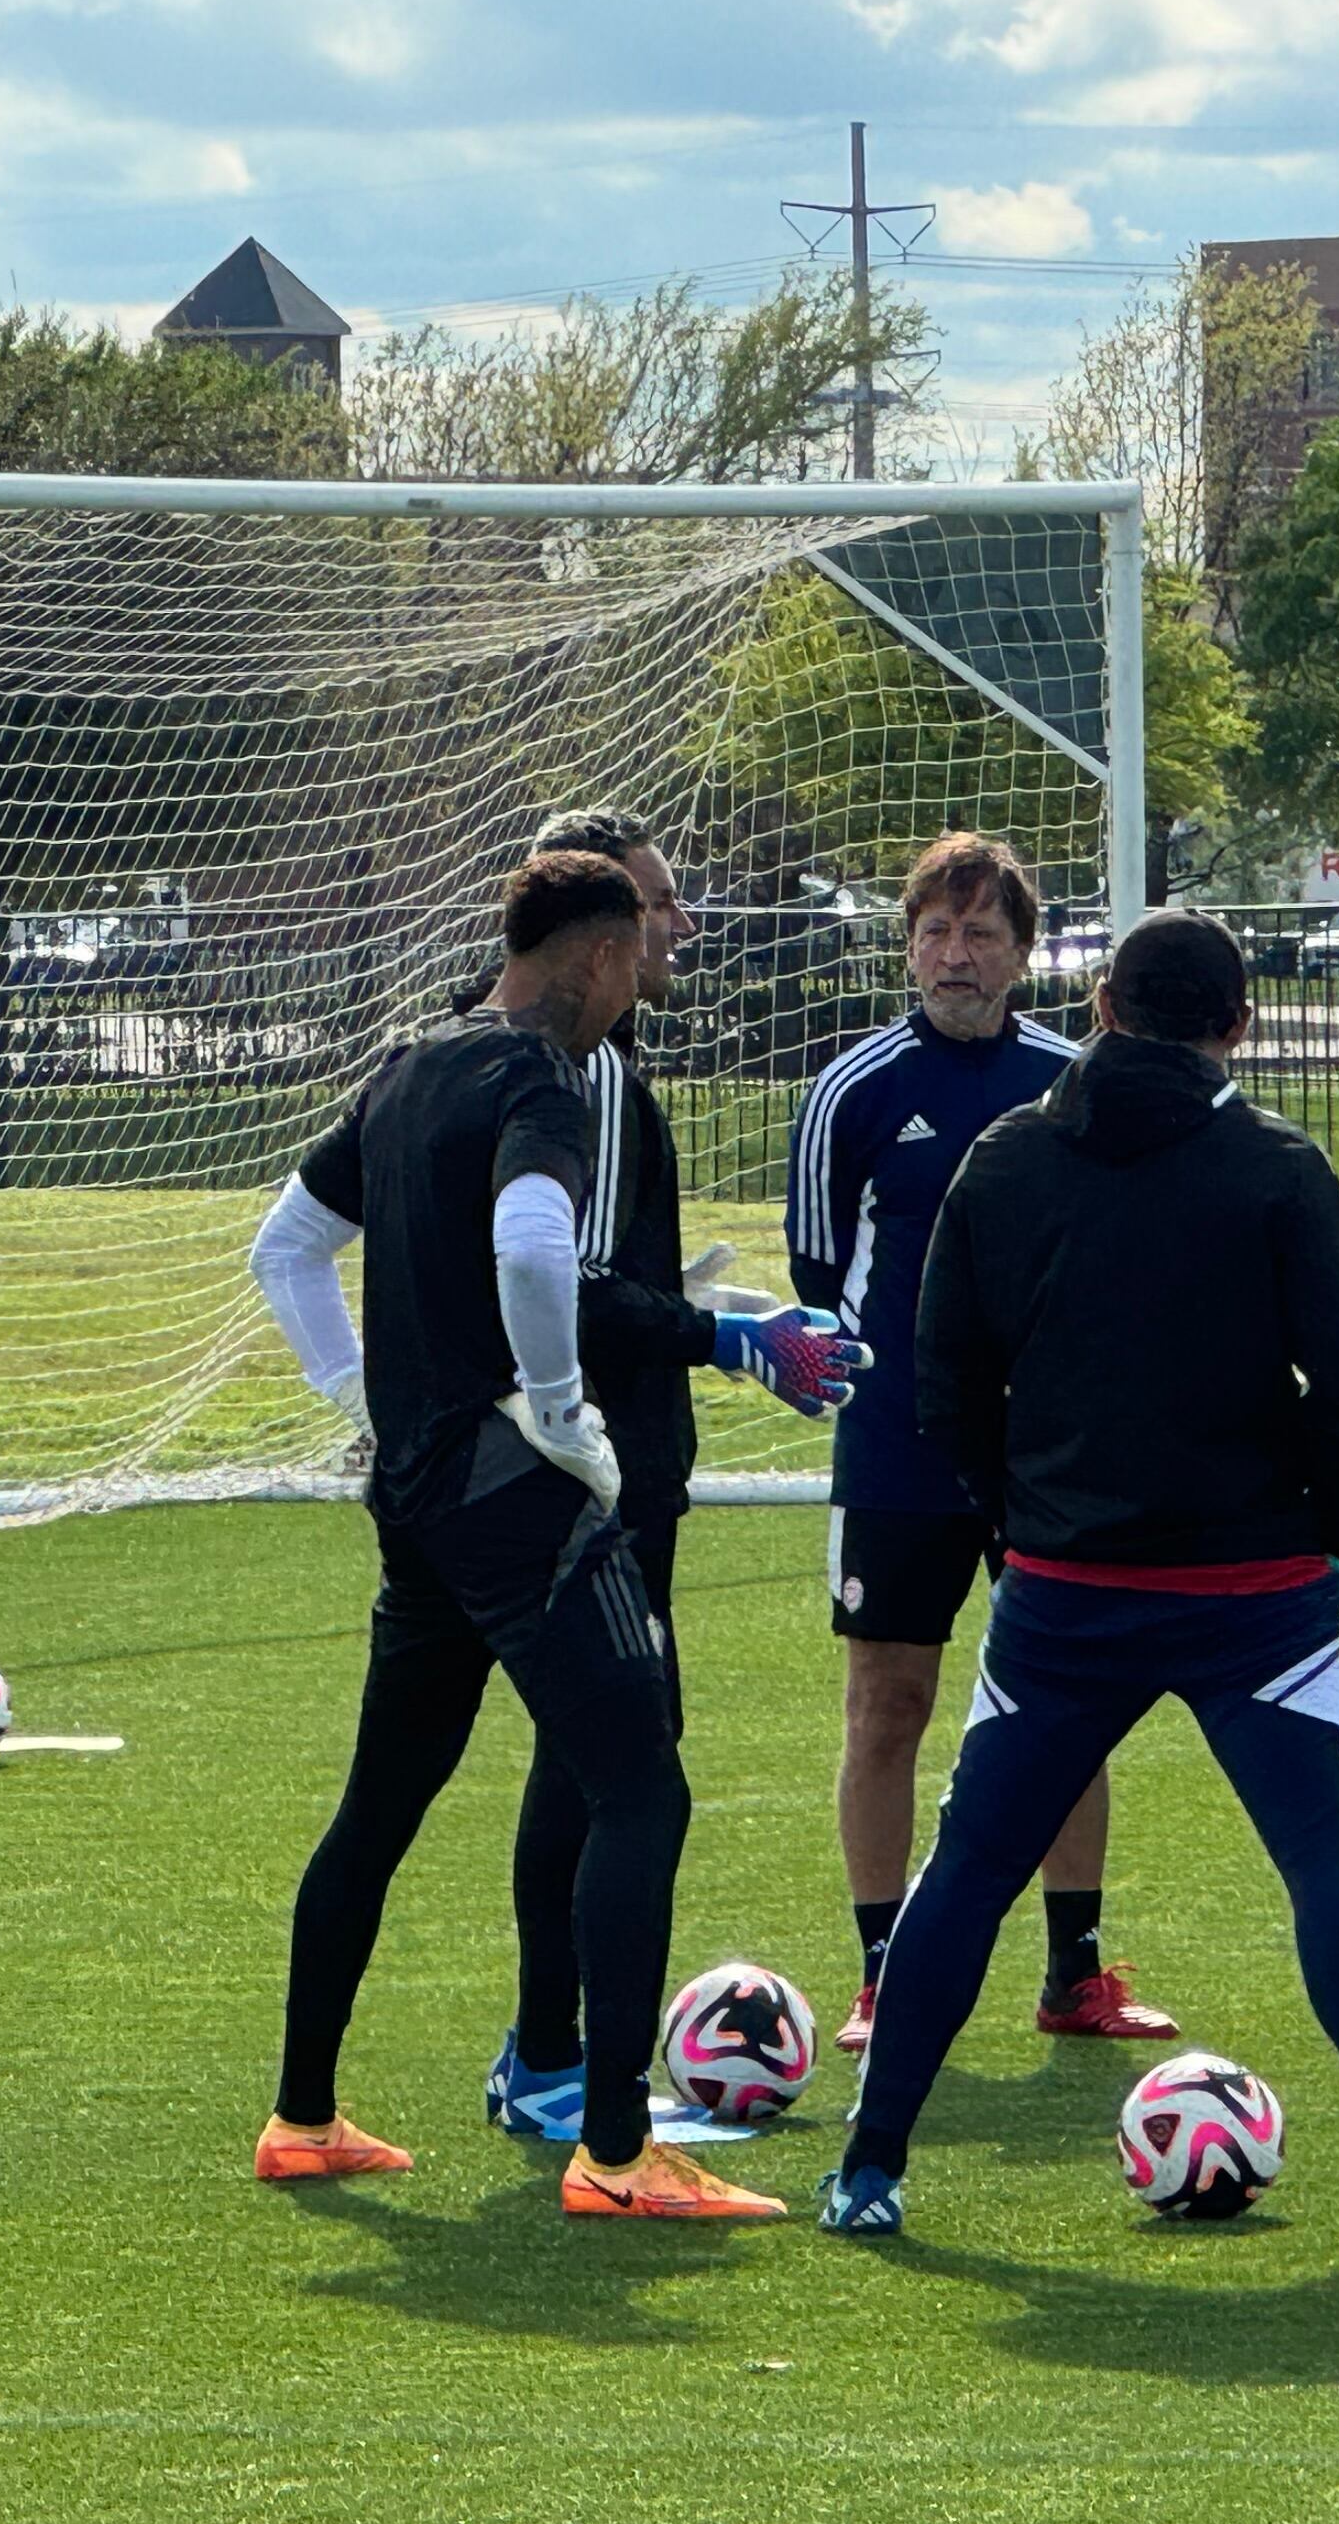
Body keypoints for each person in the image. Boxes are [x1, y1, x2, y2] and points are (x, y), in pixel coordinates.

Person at [816, 911, 1339, 2250]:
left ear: (1100, 1002)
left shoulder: (1007, 1154)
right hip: (1256, 1591)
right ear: (1239, 1025)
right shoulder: (1272, 1164)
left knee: (968, 1864)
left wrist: (1020, 1521)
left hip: (1063, 1587)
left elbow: (944, 1381)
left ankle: (871, 2168)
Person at [242, 852, 787, 2219]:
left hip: (417, 1499)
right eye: (636, 946)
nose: (636, 978)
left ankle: (302, 2116)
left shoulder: (407, 1065)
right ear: (597, 954)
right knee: (639, 1789)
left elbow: (285, 1250)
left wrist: (353, 1391)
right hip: (513, 1493)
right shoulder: (540, 1076)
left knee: (382, 1805)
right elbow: (537, 1252)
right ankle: (613, 2152)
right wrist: (559, 1410)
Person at [458, 807, 856, 2143]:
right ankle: (567, 2068)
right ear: (601, 937)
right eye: (655, 908)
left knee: (579, 1760)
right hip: (598, 1473)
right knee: (615, 1770)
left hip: (525, 1465)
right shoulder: (586, 1078)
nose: (677, 928)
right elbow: (570, 1281)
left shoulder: (500, 1058)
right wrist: (731, 1336)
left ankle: (547, 2056)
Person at [787, 833, 1178, 2055]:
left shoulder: (1076, 1081)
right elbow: (816, 1273)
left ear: (1023, 953)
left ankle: (1074, 1974)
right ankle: (881, 1974)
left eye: (982, 935)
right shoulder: (851, 1092)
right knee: (887, 1704)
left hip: (1047, 1459)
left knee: (1067, 1702)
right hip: (898, 1452)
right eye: (936, 933)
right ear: (908, 944)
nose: (956, 956)